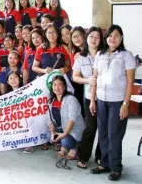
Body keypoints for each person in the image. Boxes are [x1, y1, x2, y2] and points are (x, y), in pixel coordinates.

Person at [89, 25, 136, 181]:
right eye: (110, 35)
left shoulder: (126, 56)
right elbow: (94, 79)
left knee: (114, 134)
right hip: (101, 100)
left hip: (117, 102)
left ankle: (116, 167)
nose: (113, 38)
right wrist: (93, 101)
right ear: (106, 38)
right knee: (102, 133)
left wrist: (125, 104)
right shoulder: (100, 55)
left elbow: (130, 81)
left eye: (116, 35)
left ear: (121, 38)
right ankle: (104, 164)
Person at [72, 26, 103, 169]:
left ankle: (100, 157)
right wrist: (88, 80)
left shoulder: (105, 55)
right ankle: (83, 156)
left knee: (103, 128)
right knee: (90, 127)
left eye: (97, 37)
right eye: (91, 37)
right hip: (88, 97)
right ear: (87, 38)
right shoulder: (80, 57)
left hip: (105, 97)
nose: (94, 40)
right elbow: (75, 77)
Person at [48, 75, 85, 159]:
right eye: (54, 85)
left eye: (60, 84)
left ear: (64, 86)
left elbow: (72, 119)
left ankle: (74, 147)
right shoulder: (51, 101)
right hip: (61, 127)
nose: (57, 87)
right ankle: (64, 145)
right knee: (48, 136)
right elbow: (49, 120)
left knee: (65, 141)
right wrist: (53, 132)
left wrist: (64, 134)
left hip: (73, 130)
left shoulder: (71, 99)